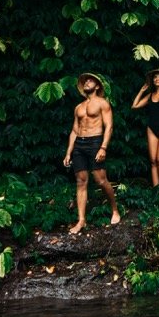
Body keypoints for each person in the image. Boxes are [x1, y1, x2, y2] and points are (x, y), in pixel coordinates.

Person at [63, 72, 121, 235]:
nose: (87, 82)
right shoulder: (78, 107)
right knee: (81, 181)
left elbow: (109, 126)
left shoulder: (103, 103)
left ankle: (115, 210)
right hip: (79, 145)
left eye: (91, 81)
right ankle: (81, 220)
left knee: (101, 180)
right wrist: (68, 152)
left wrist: (103, 147)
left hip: (95, 142)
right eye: (85, 81)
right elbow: (74, 130)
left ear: (97, 86)